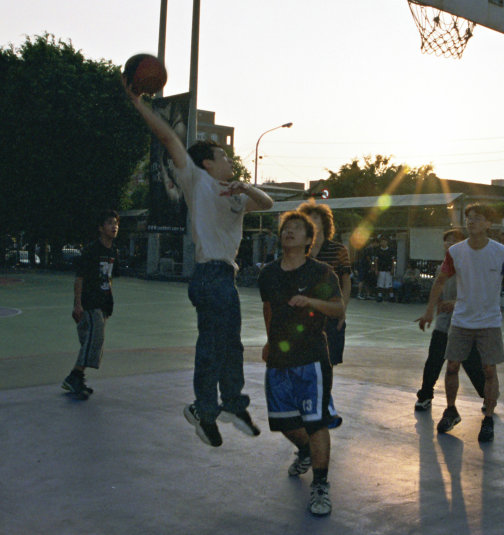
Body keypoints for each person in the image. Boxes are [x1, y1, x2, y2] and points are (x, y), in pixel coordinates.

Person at [125, 79, 273, 447]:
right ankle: (204, 408)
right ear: (207, 163)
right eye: (222, 155)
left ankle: (230, 404)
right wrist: (140, 103)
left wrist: (246, 188)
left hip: (225, 277)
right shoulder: (196, 180)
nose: (228, 159)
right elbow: (168, 140)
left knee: (231, 344)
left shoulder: (235, 194)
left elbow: (267, 204)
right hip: (209, 275)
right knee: (213, 344)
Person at [416, 203, 504, 443]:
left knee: (489, 370)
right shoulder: (456, 252)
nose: (471, 222)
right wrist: (428, 312)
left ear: (488, 224)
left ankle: (488, 418)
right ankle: (451, 410)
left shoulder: (500, 253)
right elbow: (439, 282)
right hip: (462, 321)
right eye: (469, 219)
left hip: (489, 322)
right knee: (452, 366)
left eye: (477, 218)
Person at [258, 210, 344, 517]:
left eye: (297, 229)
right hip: (279, 357)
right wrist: (269, 340)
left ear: (309, 239)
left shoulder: (320, 273)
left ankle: (320, 485)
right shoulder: (268, 273)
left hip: (312, 359)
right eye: (286, 229)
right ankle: (307, 450)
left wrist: (311, 302)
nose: (289, 232)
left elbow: (337, 309)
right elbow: (268, 309)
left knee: (316, 421)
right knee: (283, 421)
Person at [414, 229, 485, 411]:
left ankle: (487, 395)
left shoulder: (471, 267)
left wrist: (455, 303)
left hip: (464, 324)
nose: (449, 244)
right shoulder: (442, 267)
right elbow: (437, 291)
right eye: (447, 241)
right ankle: (425, 395)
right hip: (444, 323)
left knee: (471, 362)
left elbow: (477, 295)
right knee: (434, 360)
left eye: (454, 241)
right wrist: (430, 311)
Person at [298, 200, 349, 427]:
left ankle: (322, 404)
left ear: (325, 224)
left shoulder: (338, 250)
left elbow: (346, 282)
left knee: (326, 363)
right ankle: (323, 407)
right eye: (307, 220)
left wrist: (342, 311)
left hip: (330, 314)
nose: (312, 223)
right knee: (309, 361)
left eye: (316, 219)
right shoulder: (299, 252)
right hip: (305, 316)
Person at [61, 210, 120, 400]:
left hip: (103, 304)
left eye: (116, 223)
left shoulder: (113, 251)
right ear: (101, 228)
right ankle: (74, 376)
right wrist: (77, 304)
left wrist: (109, 304)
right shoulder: (91, 251)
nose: (114, 226)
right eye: (110, 223)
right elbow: (79, 278)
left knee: (90, 341)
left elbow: (108, 279)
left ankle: (77, 378)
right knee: (95, 339)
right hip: (89, 302)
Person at [375, 235, 395, 302]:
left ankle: (391, 296)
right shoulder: (378, 250)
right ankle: (380, 296)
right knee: (380, 283)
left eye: (384, 241)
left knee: (389, 284)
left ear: (387, 242)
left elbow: (393, 261)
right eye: (382, 241)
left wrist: (392, 269)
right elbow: (376, 261)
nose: (383, 243)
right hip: (381, 269)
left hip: (388, 269)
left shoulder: (390, 250)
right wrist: (376, 269)